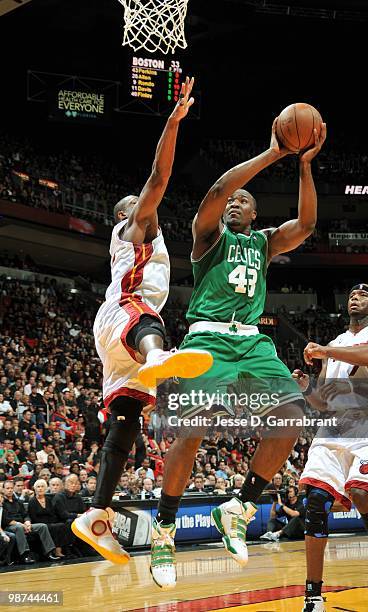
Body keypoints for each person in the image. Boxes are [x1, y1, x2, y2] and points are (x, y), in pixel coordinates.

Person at [151, 118, 326, 589]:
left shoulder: (265, 243)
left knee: (293, 416)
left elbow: (307, 224)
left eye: (243, 201)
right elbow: (215, 190)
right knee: (191, 432)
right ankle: (164, 528)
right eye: (232, 200)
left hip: (251, 341)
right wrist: (273, 153)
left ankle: (240, 505)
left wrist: (304, 165)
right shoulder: (209, 239)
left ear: (254, 215)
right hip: (207, 340)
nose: (233, 202)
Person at [72, 79, 213, 565]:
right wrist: (173, 123)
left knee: (128, 422)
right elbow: (159, 176)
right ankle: (159, 356)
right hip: (126, 316)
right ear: (123, 215)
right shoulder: (135, 227)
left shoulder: (140, 236)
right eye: (134, 202)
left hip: (115, 340)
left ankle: (96, 513)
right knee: (151, 325)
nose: (143, 203)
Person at [295, 284, 368, 611]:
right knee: (315, 500)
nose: (355, 296)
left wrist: (358, 387)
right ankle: (313, 596)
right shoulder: (333, 344)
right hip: (335, 426)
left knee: (361, 494)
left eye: (364, 293)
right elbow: (323, 403)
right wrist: (306, 389)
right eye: (351, 293)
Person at [2, 480, 60, 563]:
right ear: (3, 490)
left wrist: (27, 522)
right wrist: (21, 524)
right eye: (7, 488)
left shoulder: (18, 502)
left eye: (11, 488)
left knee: (42, 526)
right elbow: (5, 520)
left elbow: (25, 515)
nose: (10, 490)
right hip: (10, 526)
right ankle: (25, 555)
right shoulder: (2, 503)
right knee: (19, 528)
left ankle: (49, 552)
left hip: (23, 525)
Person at [28, 479, 71, 558]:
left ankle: (59, 550)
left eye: (42, 487)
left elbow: (53, 514)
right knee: (53, 527)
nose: (40, 488)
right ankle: (52, 552)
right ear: (34, 489)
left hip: (50, 522)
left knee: (61, 525)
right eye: (38, 487)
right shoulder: (32, 501)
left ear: (45, 488)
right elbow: (33, 517)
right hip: (39, 523)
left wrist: (53, 522)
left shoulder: (48, 499)